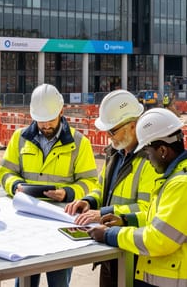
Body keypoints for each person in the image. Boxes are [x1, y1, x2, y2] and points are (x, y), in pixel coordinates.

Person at [88, 108, 187, 287]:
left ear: (162, 150)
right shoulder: (176, 177)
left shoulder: (185, 184)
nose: (148, 159)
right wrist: (125, 220)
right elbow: (160, 221)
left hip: (182, 281)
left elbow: (159, 239)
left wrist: (111, 235)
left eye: (147, 152)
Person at [0, 83, 98, 287]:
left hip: (61, 220)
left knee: (59, 281)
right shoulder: (20, 138)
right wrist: (15, 185)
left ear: (61, 111)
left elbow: (90, 182)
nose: (45, 125)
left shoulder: (80, 143)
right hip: (27, 221)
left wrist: (68, 193)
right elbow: (5, 172)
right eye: (40, 120)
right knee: (24, 280)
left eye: (50, 119)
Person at [65, 89, 158, 287]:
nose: (109, 137)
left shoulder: (151, 161)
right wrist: (88, 202)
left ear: (133, 126)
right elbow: (102, 188)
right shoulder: (115, 154)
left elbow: (147, 208)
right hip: (110, 245)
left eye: (112, 131)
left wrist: (102, 214)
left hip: (134, 254)